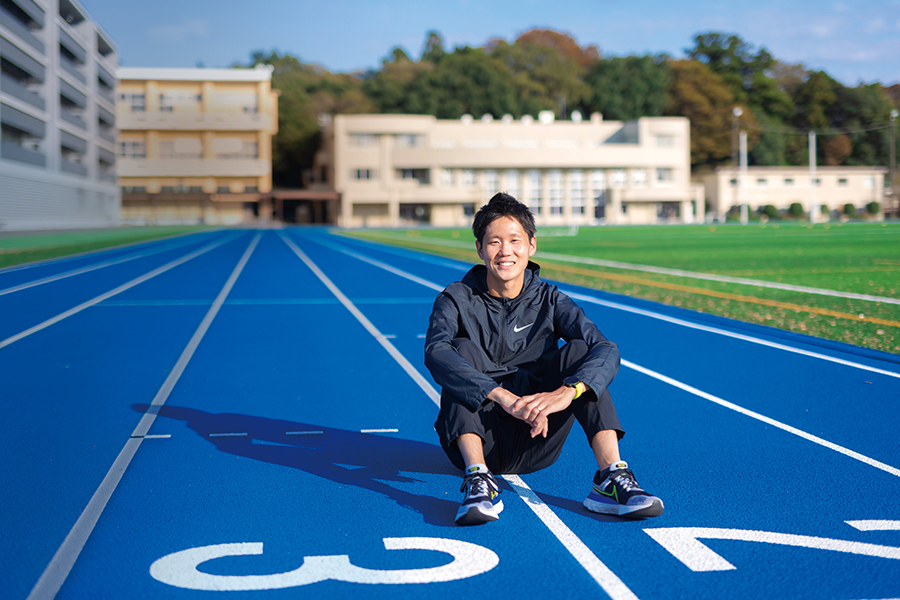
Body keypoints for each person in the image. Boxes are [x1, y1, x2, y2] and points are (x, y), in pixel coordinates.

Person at [424, 193, 664, 525]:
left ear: (531, 245)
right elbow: (436, 352)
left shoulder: (551, 299)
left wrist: (565, 393)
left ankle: (611, 477)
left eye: (514, 241)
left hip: (537, 436)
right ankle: (478, 480)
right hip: (482, 433)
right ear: (480, 249)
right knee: (458, 350)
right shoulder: (456, 298)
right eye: (494, 242)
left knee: (581, 352)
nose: (505, 251)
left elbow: (606, 348)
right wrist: (501, 396)